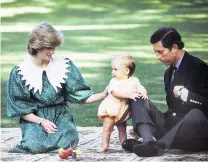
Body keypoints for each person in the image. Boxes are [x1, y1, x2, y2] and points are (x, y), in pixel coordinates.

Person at [6, 22, 107, 154]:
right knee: (35, 145)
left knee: (68, 143)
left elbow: (80, 94)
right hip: (35, 116)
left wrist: (104, 95)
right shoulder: (20, 72)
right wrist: (41, 121)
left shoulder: (64, 65)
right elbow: (21, 107)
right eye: (48, 48)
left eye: (54, 47)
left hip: (60, 114)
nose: (52, 52)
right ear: (36, 47)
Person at [122, 27, 208, 157]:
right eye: (156, 52)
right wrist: (147, 119)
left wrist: (186, 95)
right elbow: (173, 108)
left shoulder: (198, 67)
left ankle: (158, 145)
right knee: (137, 98)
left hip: (195, 130)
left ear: (174, 47)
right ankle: (148, 141)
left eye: (160, 52)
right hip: (173, 126)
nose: (158, 57)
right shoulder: (169, 72)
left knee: (195, 115)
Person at [97, 55, 148, 152]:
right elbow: (114, 92)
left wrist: (144, 93)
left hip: (123, 111)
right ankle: (105, 145)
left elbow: (141, 88)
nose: (113, 72)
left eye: (115, 69)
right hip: (111, 109)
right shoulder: (114, 81)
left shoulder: (134, 81)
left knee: (122, 129)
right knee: (107, 129)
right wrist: (129, 95)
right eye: (112, 69)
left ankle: (125, 144)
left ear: (126, 71)